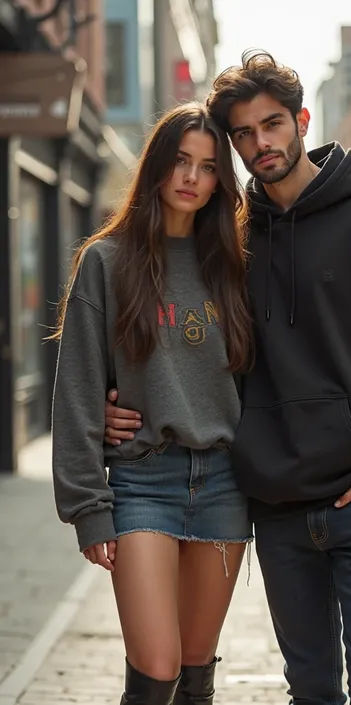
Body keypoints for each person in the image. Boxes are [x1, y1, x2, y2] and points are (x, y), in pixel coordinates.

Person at [103, 52, 351, 705]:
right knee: (310, 688)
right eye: (242, 134)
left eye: (272, 124)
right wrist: (120, 405)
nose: (259, 143)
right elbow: (187, 341)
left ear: (301, 121)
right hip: (276, 505)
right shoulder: (236, 240)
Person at [51, 103, 254, 705]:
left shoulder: (235, 265)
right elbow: (78, 386)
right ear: (157, 166)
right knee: (156, 666)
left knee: (195, 668)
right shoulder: (107, 260)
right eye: (180, 161)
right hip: (143, 479)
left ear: (222, 179)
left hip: (223, 483)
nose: (192, 177)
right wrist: (88, 503)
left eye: (209, 167)